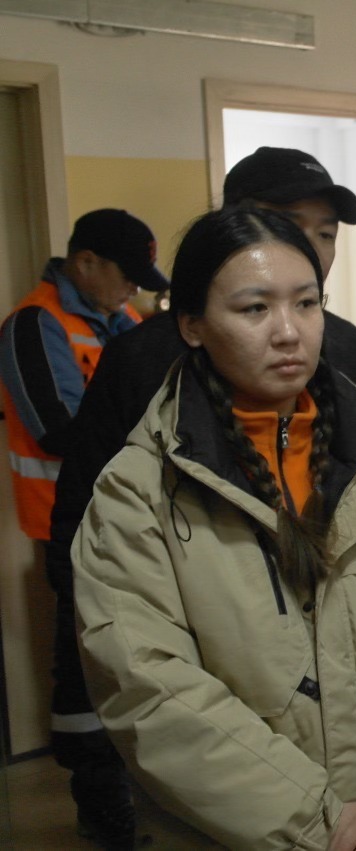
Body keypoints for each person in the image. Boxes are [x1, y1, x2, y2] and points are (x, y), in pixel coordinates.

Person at [72, 207, 356, 849]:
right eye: (255, 308)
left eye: (307, 303)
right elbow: (149, 690)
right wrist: (323, 828)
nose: (289, 332)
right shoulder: (139, 491)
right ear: (192, 325)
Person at [42, 147, 356, 847]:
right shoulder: (143, 361)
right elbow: (92, 530)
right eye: (288, 222)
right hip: (215, 723)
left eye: (325, 233)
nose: (309, 246)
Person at [0, 208, 168, 848]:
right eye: (127, 276)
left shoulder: (126, 324)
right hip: (71, 527)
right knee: (84, 667)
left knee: (140, 659)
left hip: (140, 523)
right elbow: (58, 430)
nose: (133, 291)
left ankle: (143, 792)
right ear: (85, 262)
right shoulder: (34, 325)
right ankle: (101, 808)